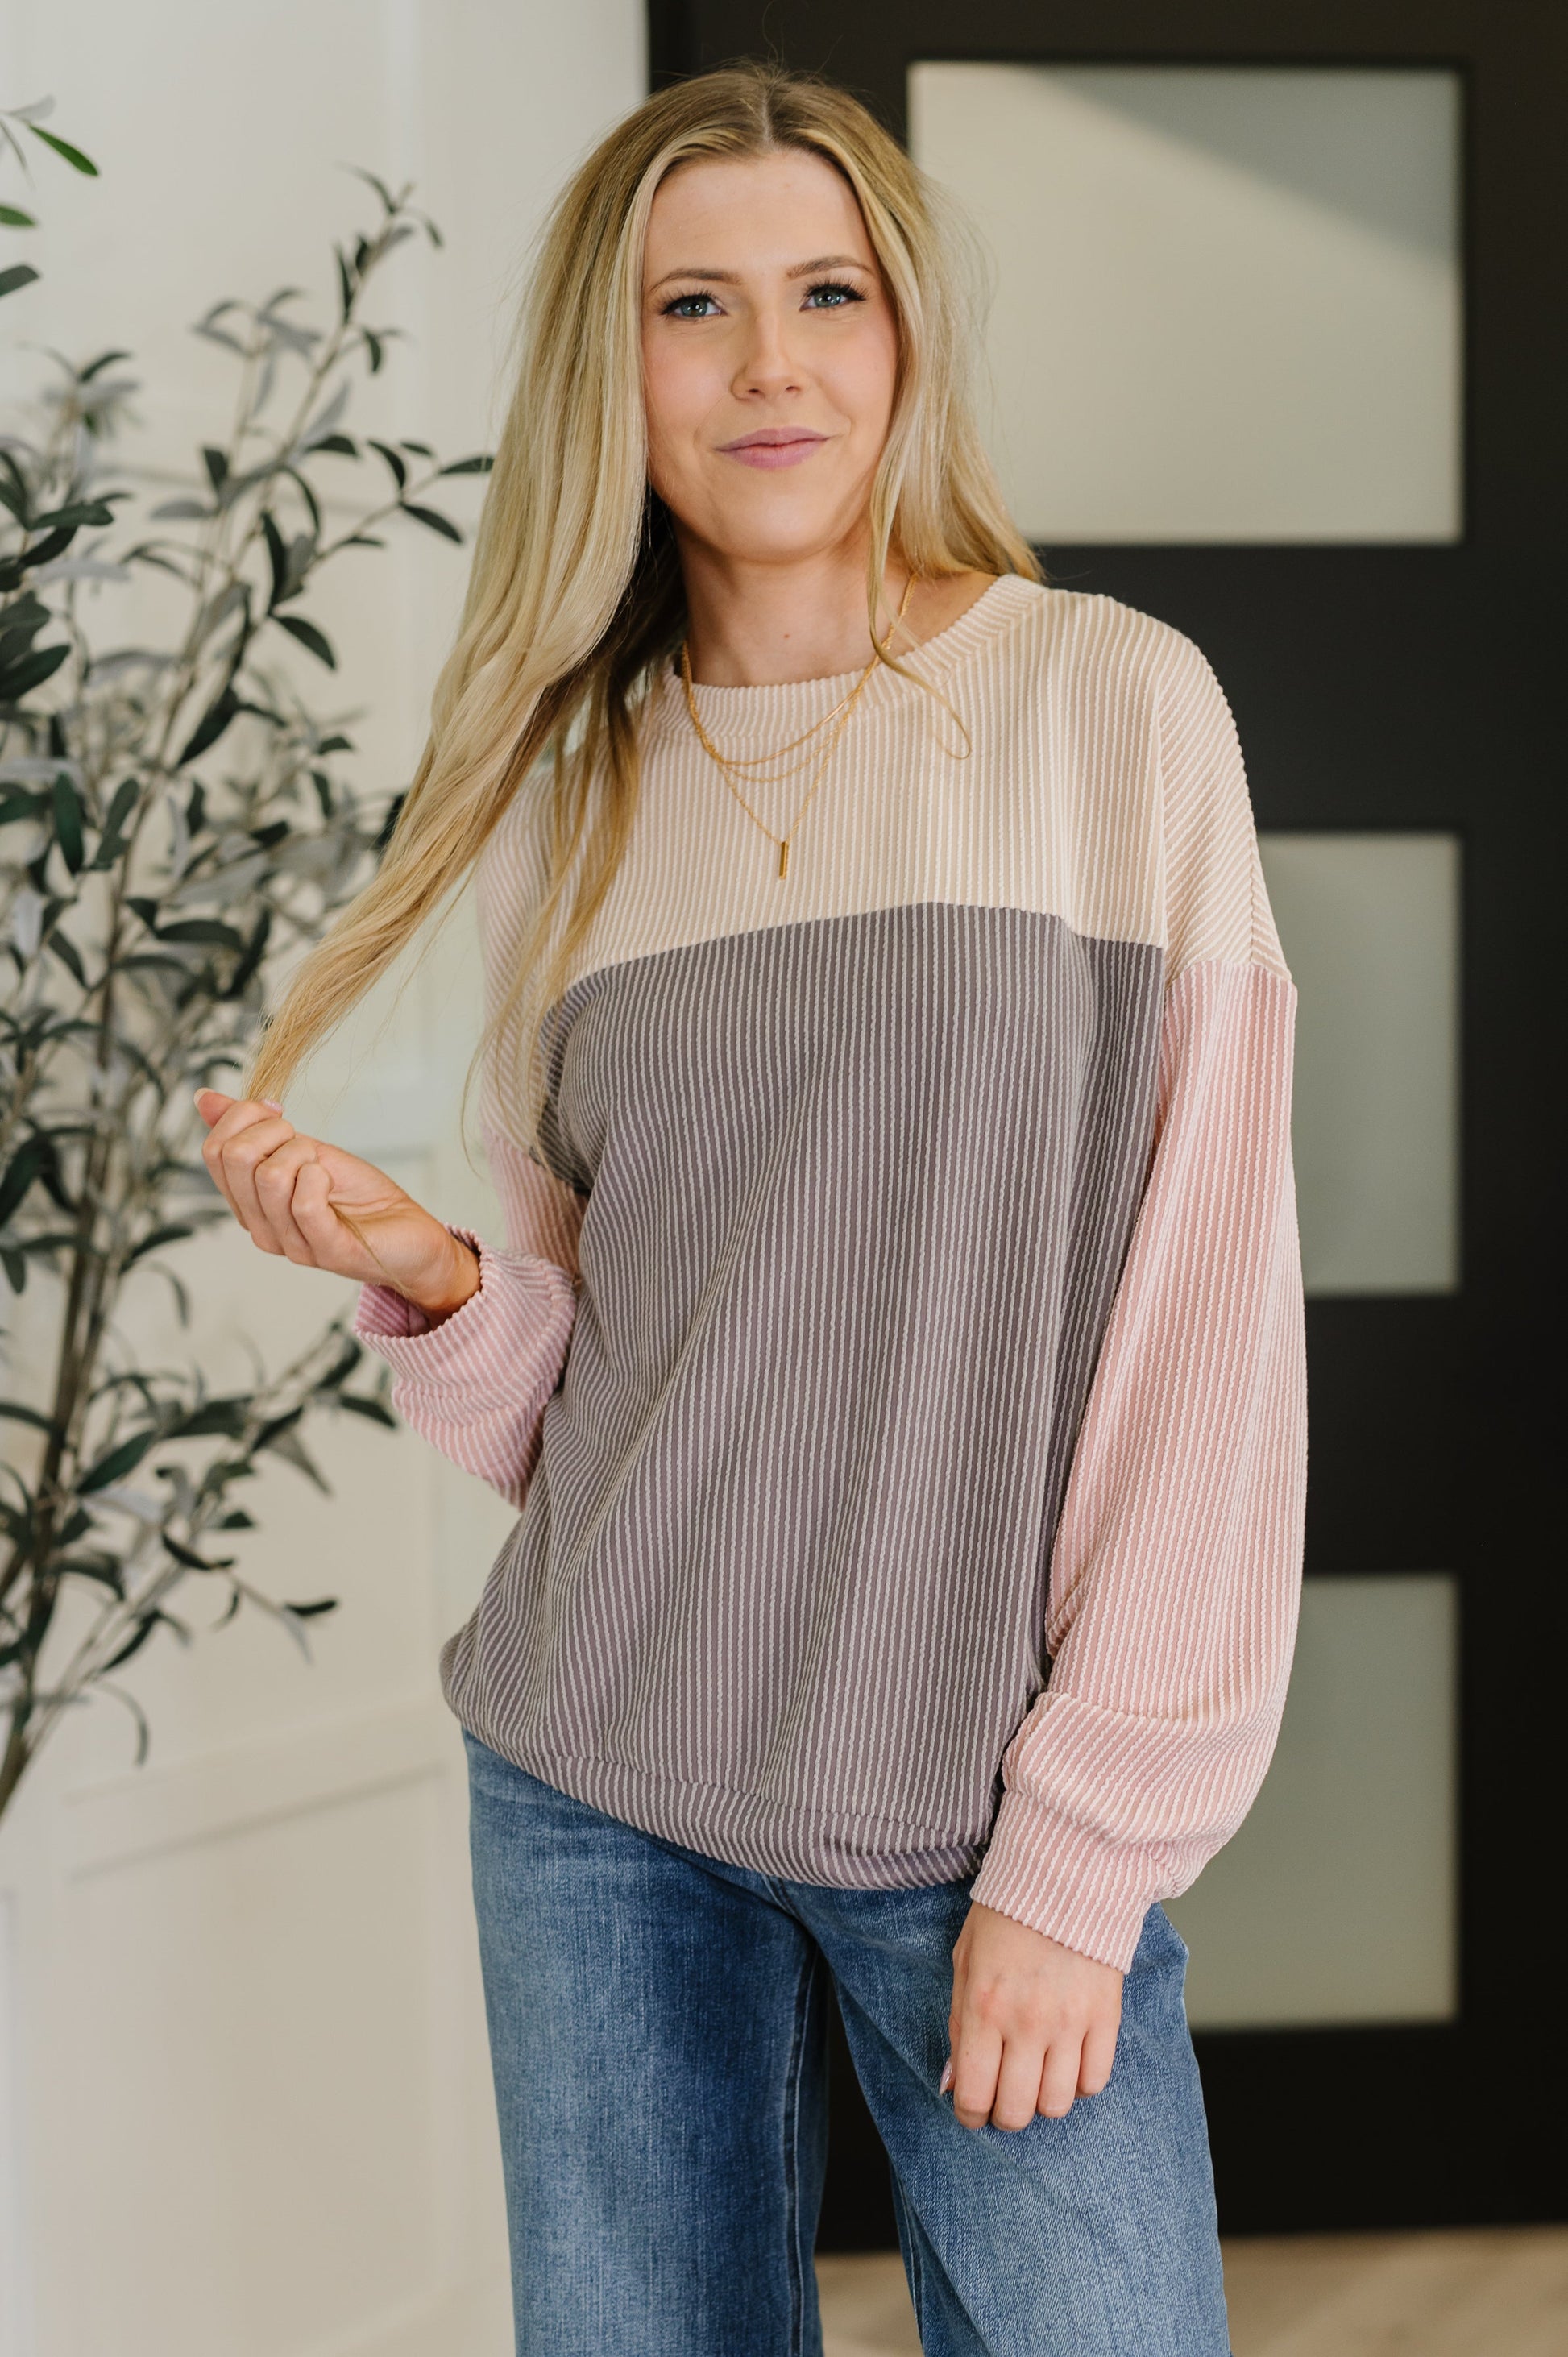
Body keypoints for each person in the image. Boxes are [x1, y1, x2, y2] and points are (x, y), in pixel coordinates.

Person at [197, 60, 1305, 2357]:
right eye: (694, 305)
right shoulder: (564, 804)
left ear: (905, 338)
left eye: (828, 292)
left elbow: (1203, 1330)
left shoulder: (1106, 708)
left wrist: (1079, 1864)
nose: (770, 362)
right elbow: (607, 1388)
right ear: (617, 371)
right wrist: (433, 1284)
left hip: (977, 1803)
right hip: (601, 1781)